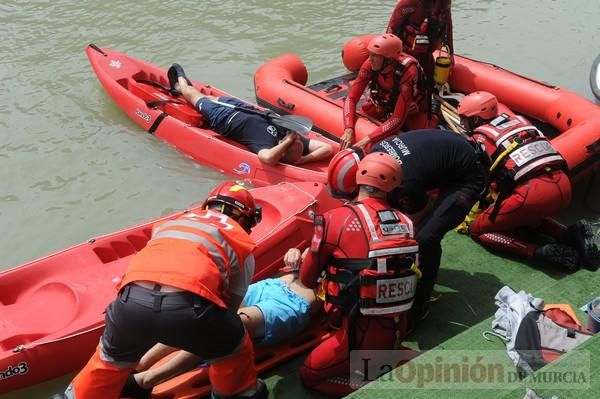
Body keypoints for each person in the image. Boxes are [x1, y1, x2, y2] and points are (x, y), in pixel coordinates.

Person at [52, 182, 267, 399]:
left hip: (128, 304)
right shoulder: (239, 241)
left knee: (108, 360)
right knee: (233, 346)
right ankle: (239, 393)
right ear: (244, 219)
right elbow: (228, 309)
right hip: (189, 310)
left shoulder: (173, 225)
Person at [330, 130, 489, 323]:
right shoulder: (376, 157)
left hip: (467, 175)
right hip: (447, 155)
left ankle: (422, 301)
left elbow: (413, 223)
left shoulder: (405, 184)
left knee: (425, 238)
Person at [297, 152, 421, 396]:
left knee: (310, 374)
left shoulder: (334, 220)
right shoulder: (407, 223)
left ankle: (373, 389)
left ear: (357, 178)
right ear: (395, 185)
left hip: (356, 337)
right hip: (396, 331)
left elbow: (307, 279)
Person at [119, 270, 320, 398]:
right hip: (274, 284)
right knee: (205, 312)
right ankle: (140, 365)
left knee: (221, 327)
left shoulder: (348, 251)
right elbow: (306, 256)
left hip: (290, 303)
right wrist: (295, 255)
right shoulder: (334, 225)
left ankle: (145, 380)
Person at [457, 91, 599, 271]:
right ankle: (568, 232)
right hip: (563, 184)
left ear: (476, 119)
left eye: (465, 118)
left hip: (532, 194)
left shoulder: (480, 138)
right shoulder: (520, 122)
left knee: (478, 230)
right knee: (524, 214)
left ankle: (537, 251)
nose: (463, 123)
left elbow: (480, 180)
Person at [170, 64, 333, 166]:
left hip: (224, 116)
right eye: (297, 140)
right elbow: (327, 148)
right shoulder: (289, 134)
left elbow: (267, 158)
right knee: (211, 98)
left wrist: (293, 148)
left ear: (282, 148)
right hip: (245, 109)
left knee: (191, 93)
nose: (297, 138)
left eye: (295, 141)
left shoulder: (265, 144)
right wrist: (301, 157)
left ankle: (179, 80)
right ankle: (185, 87)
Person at [340, 34, 434, 150]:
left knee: (421, 135)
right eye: (370, 54)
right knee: (365, 110)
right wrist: (348, 129)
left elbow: (397, 119)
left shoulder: (408, 72)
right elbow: (351, 98)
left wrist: (367, 139)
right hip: (386, 101)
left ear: (389, 59)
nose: (370, 59)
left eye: (375, 56)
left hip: (411, 107)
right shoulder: (369, 64)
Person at [386, 0, 453, 68]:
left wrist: (451, 54)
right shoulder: (408, 3)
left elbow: (448, 25)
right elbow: (391, 30)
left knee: (433, 77)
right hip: (405, 57)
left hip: (426, 56)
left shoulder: (445, 2)